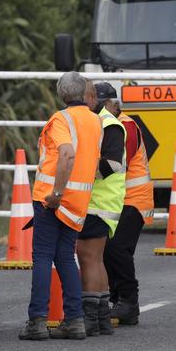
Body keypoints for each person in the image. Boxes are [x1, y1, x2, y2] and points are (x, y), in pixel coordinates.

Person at [19, 72, 102, 341]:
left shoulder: (61, 119)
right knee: (66, 257)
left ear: (61, 93)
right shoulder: (94, 120)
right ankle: (75, 321)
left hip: (53, 199)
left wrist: (55, 193)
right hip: (78, 201)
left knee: (42, 257)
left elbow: (66, 154)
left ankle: (37, 322)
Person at [73, 82, 126, 337]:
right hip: (99, 202)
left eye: (85, 98)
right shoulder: (100, 122)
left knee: (87, 257)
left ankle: (91, 318)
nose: (83, 103)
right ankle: (102, 318)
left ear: (97, 100)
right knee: (95, 259)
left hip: (99, 203)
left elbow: (113, 164)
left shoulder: (109, 124)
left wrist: (80, 171)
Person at [101, 84, 155, 325]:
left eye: (101, 105)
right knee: (106, 249)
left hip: (133, 198)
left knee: (116, 248)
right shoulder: (109, 124)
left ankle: (128, 302)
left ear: (113, 104)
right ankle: (116, 300)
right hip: (117, 198)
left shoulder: (126, 126)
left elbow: (119, 160)